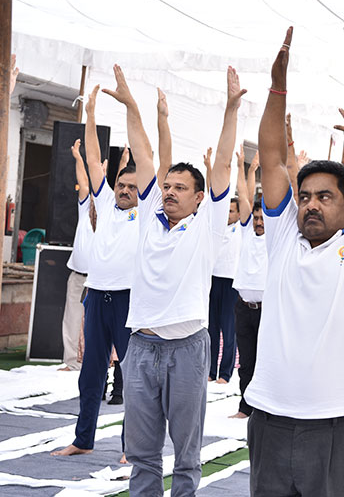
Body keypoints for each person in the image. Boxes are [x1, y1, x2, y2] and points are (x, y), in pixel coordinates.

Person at [244, 26, 344, 496]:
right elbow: (270, 157)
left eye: (325, 197)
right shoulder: (284, 237)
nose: (311, 204)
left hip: (338, 423)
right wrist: (277, 87)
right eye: (305, 196)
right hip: (269, 416)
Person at [107, 63, 242, 495]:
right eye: (166, 186)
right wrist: (131, 105)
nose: (168, 191)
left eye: (180, 187)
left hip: (187, 349)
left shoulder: (209, 225)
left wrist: (231, 109)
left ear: (199, 197)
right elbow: (143, 153)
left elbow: (222, 162)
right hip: (141, 347)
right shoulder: (148, 215)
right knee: (142, 452)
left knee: (186, 454)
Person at [52, 85, 138, 458]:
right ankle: (83, 440)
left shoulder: (148, 213)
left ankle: (130, 447)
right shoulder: (103, 204)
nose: (123, 189)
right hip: (96, 295)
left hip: (129, 300)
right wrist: (90, 114)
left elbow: (146, 166)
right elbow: (92, 156)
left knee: (133, 379)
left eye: (132, 186)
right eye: (120, 184)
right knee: (90, 375)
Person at [230, 146, 265, 419]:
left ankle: (265, 406)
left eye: (263, 218)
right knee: (247, 360)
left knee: (266, 361)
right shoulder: (246, 233)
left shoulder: (274, 237)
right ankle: (245, 406)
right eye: (255, 217)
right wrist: (246, 169)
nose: (258, 222)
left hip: (268, 309)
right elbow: (244, 196)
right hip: (243, 306)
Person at [59, 139, 93, 372]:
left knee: (95, 323)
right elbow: (84, 183)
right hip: (78, 274)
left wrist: (122, 164)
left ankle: (96, 360)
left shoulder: (113, 214)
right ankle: (70, 362)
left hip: (99, 279)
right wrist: (78, 158)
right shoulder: (85, 207)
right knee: (71, 318)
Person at [208, 193, 241, 384]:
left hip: (231, 281)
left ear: (238, 214)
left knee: (229, 330)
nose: (228, 215)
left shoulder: (241, 229)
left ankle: (225, 373)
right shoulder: (216, 228)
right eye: (226, 211)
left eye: (231, 211)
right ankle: (211, 371)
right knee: (212, 328)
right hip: (213, 280)